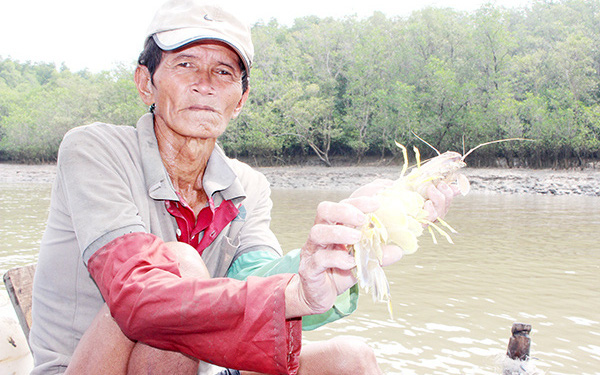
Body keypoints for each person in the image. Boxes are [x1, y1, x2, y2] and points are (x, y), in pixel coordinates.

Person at [29, 0, 458, 374]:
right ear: (146, 83)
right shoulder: (93, 149)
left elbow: (259, 279)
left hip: (200, 362)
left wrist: (341, 249)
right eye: (185, 64)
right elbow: (137, 294)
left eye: (223, 72)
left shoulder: (249, 184)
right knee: (179, 266)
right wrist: (289, 293)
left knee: (352, 359)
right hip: (89, 364)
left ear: (240, 100)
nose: (205, 84)